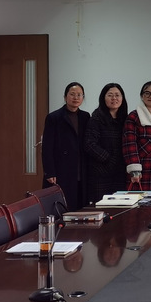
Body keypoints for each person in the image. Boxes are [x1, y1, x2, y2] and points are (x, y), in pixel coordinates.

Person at [42, 82, 90, 211]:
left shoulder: (85, 117)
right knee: (62, 206)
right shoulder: (54, 117)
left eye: (79, 95)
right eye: (72, 94)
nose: (76, 97)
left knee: (80, 206)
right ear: (65, 97)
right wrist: (49, 171)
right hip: (61, 168)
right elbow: (47, 147)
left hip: (80, 167)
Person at [84, 83, 128, 203]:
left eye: (117, 95)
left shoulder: (126, 119)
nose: (114, 98)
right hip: (100, 173)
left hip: (120, 173)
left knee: (120, 208)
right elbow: (89, 144)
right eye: (110, 95)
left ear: (122, 98)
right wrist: (108, 159)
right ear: (103, 98)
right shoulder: (96, 119)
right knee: (101, 207)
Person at [122, 81, 151, 192]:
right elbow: (129, 145)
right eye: (147, 93)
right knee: (140, 202)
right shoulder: (134, 117)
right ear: (142, 96)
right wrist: (134, 170)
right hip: (141, 174)